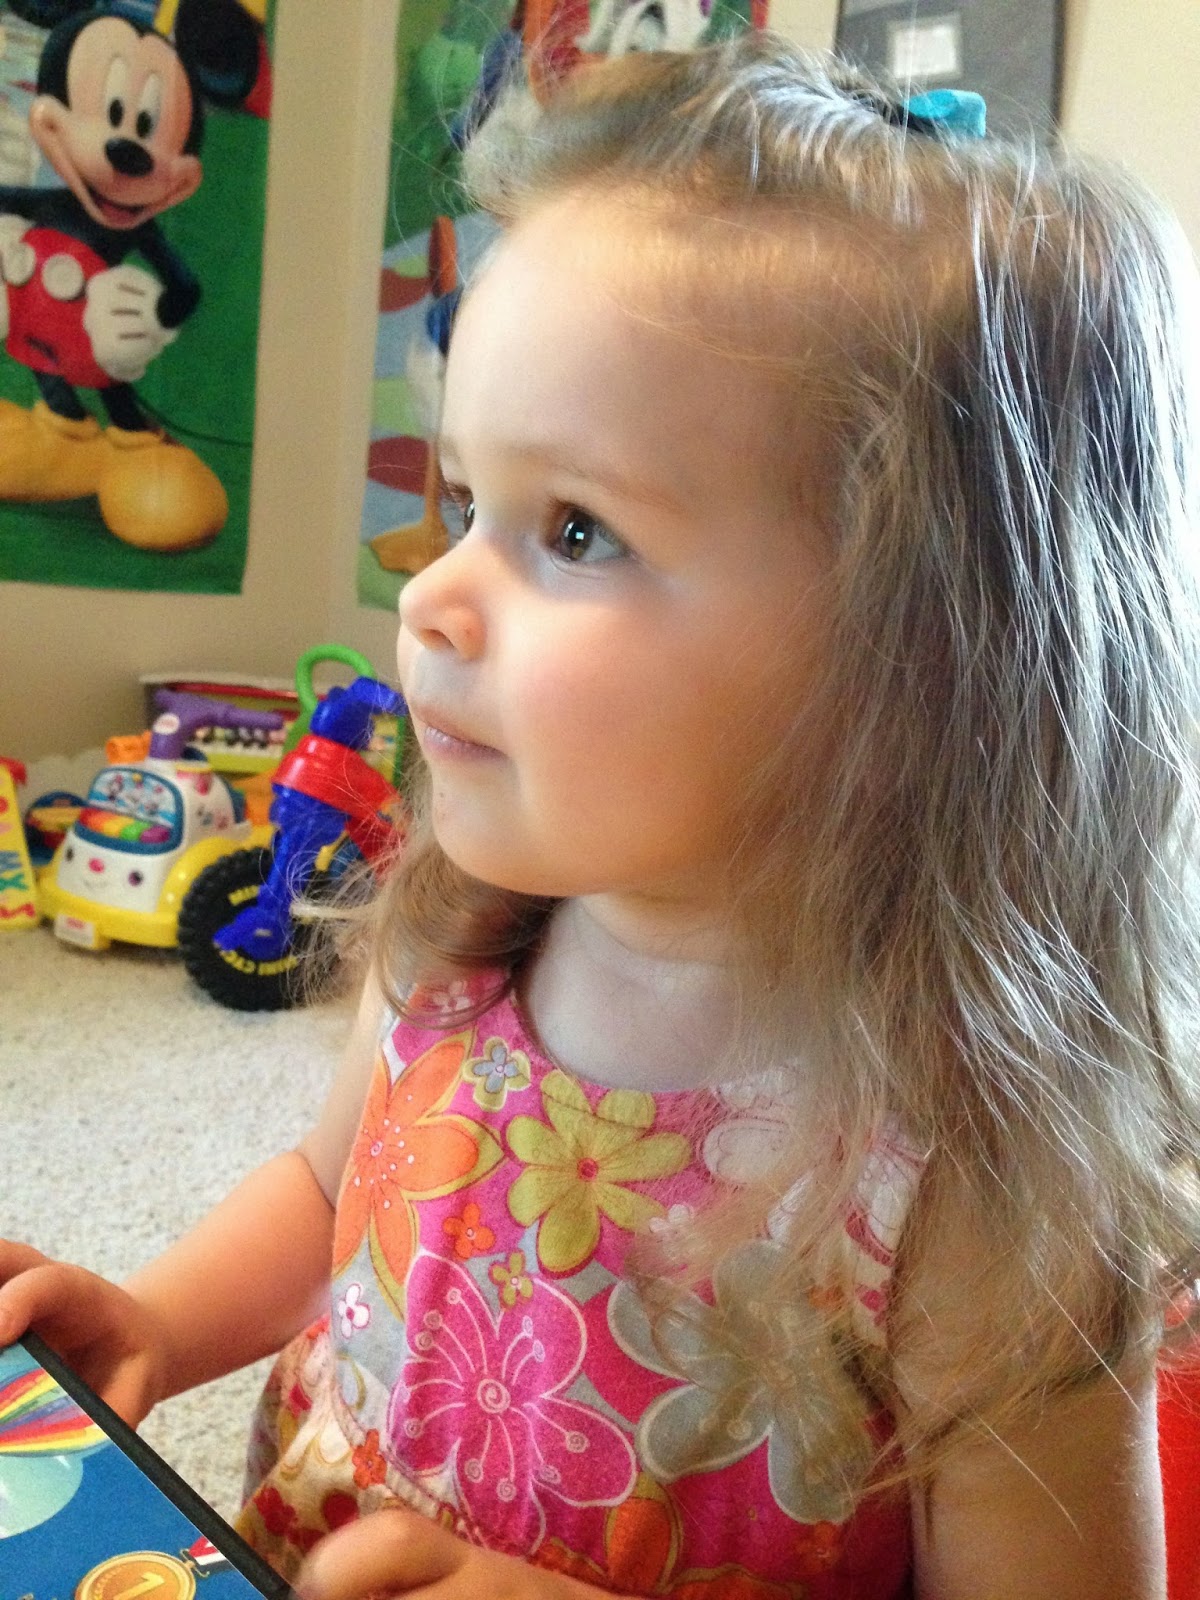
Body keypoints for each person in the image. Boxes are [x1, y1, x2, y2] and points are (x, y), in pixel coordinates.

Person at [3, 30, 1199, 1599]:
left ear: (918, 666)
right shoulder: (458, 948)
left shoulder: (978, 1193)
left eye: (575, 530)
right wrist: (157, 1320)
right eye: (463, 502)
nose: (429, 596)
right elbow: (324, 1196)